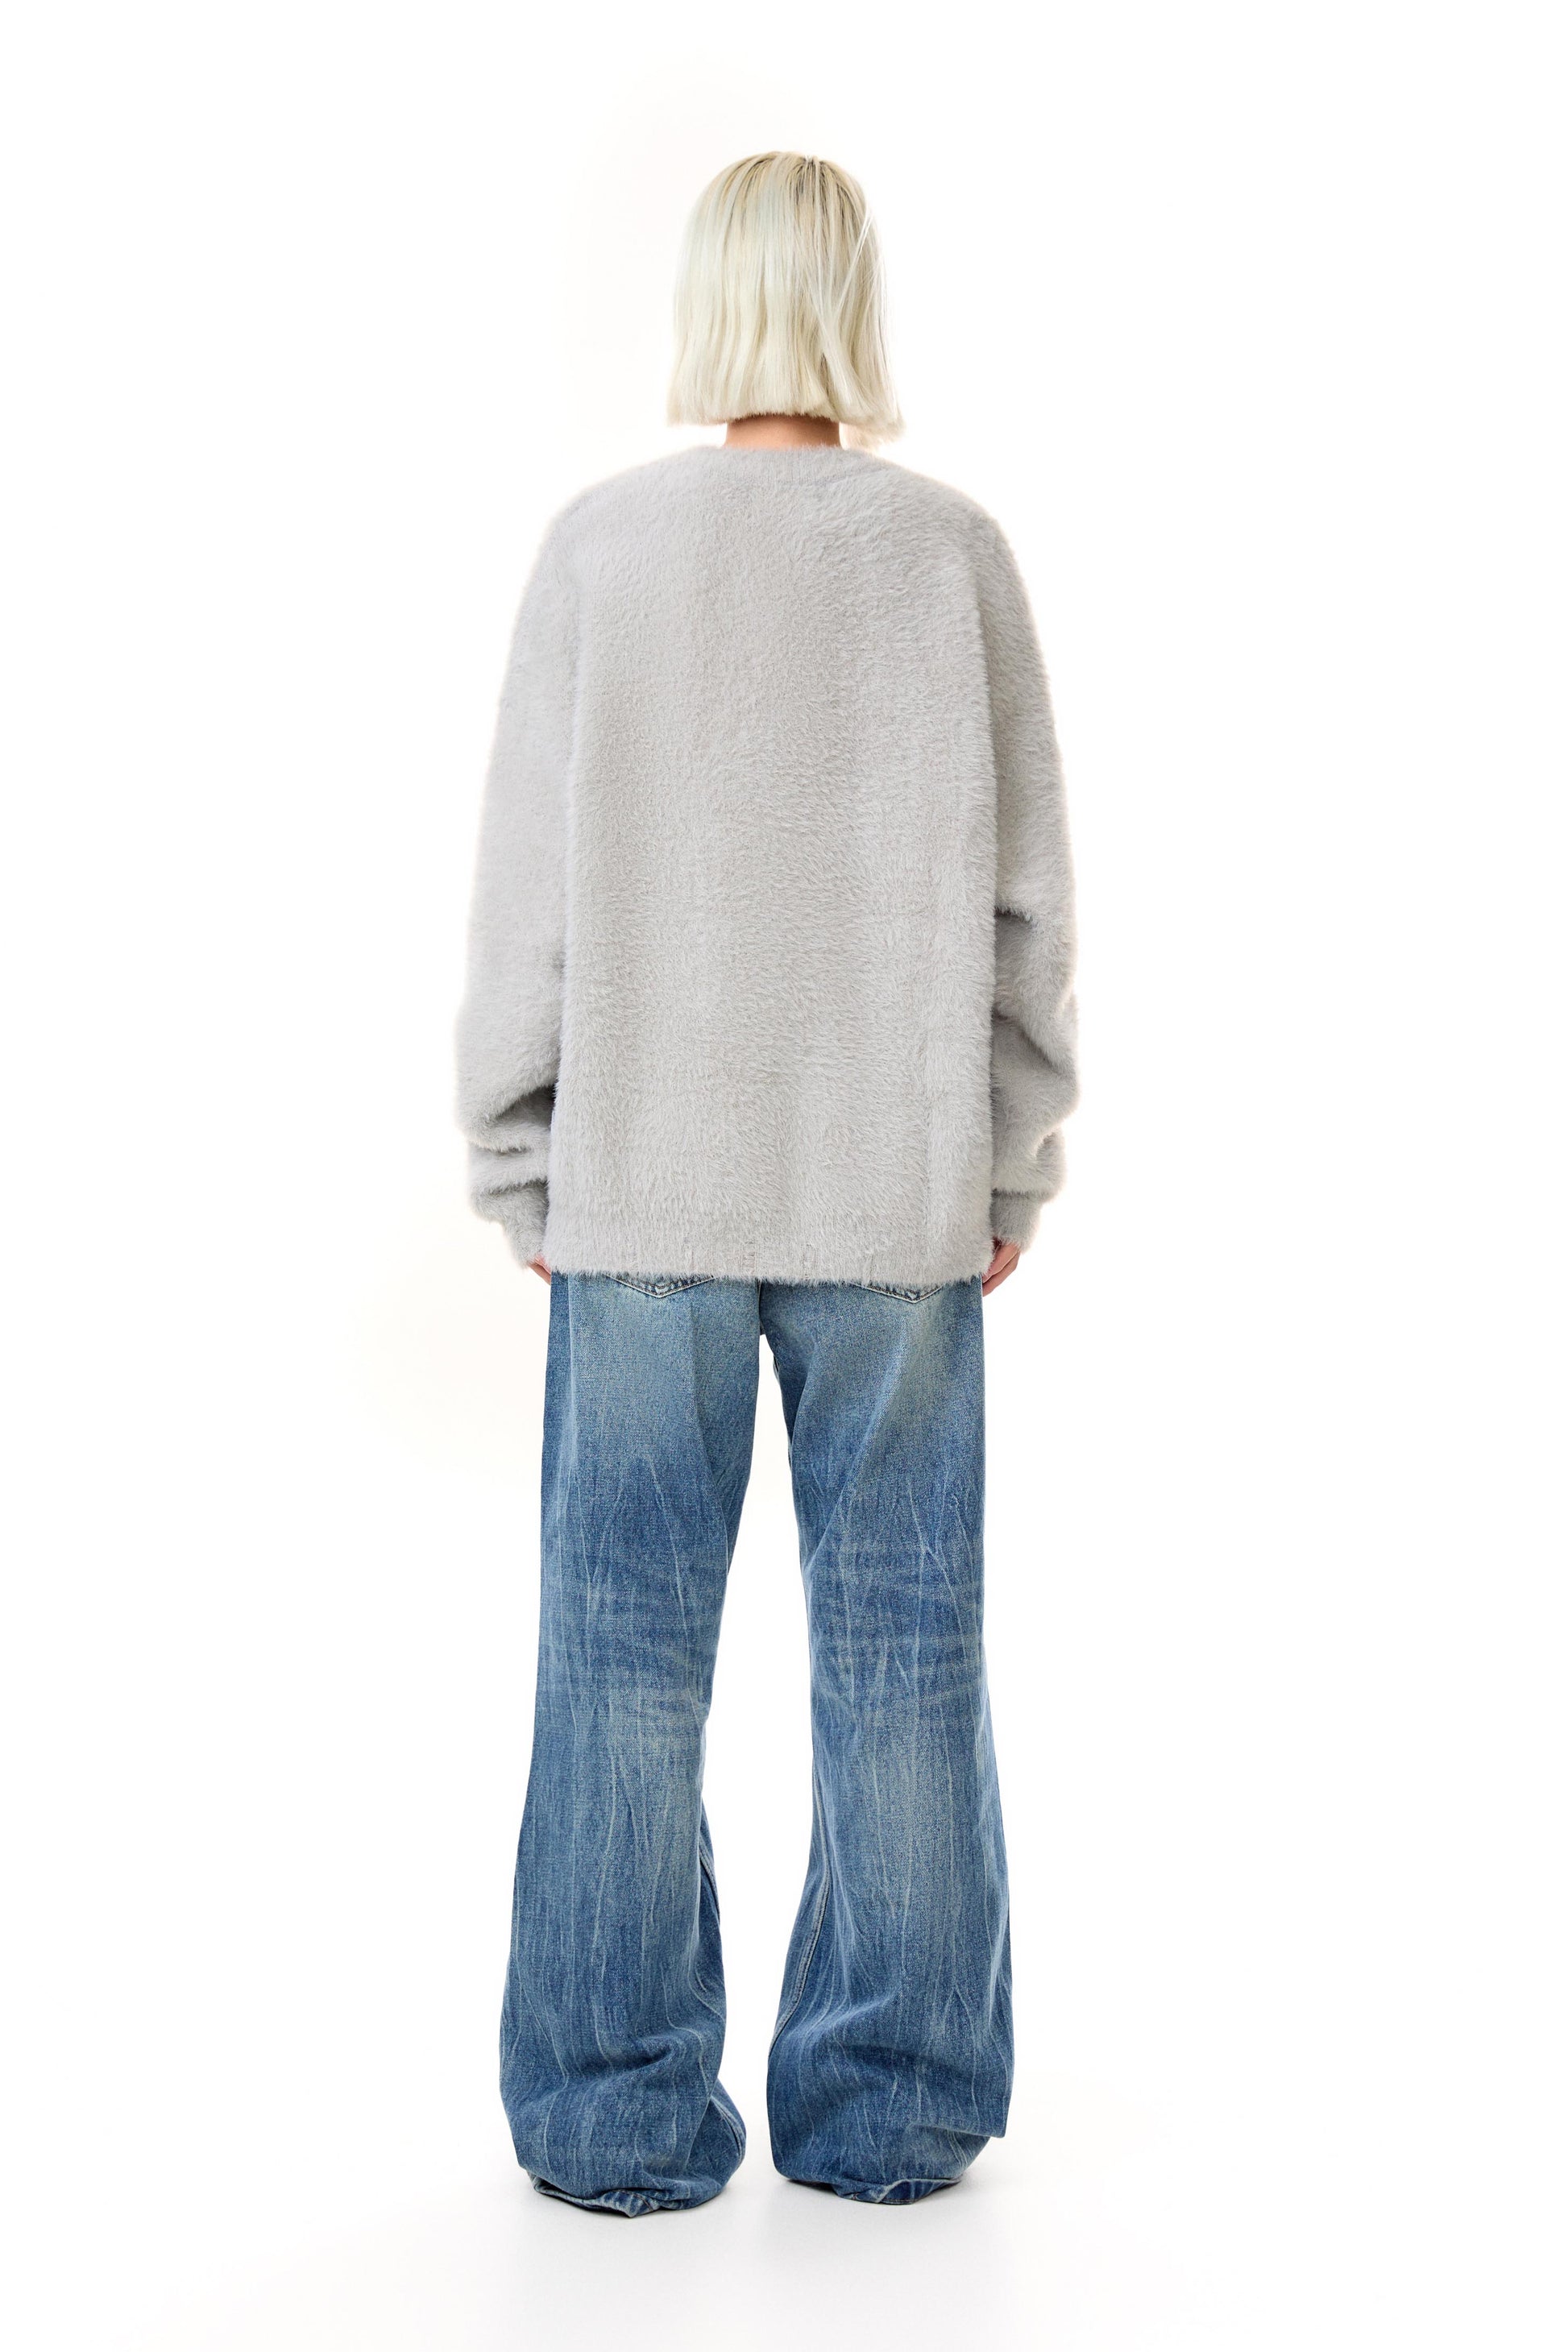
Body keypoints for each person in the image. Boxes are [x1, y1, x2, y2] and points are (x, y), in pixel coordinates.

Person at [455, 151, 1078, 2214]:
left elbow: (530, 898)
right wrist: (1008, 1149)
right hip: (892, 1195)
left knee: (618, 1658)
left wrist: (523, 1148)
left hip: (643, 1188)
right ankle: (895, 2101)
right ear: (854, 301)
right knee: (906, 1651)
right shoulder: (947, 555)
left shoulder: (603, 550)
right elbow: (1024, 907)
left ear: (707, 303)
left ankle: (608, 2108)